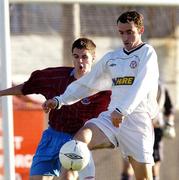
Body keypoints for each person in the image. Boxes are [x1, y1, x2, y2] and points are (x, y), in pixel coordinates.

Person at [43, 10, 159, 180]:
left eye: (130, 32)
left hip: (137, 121)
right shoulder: (113, 58)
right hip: (112, 117)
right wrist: (60, 99)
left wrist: (123, 110)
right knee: (77, 144)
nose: (125, 38)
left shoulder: (147, 53)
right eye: (121, 33)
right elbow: (88, 83)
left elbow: (141, 85)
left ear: (140, 30)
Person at [0, 38, 111, 180]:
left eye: (84, 57)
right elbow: (28, 87)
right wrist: (1, 93)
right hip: (53, 135)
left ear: (93, 58)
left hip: (76, 141)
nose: (80, 62)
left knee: (68, 176)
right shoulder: (57, 76)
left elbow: (116, 111)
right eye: (76, 57)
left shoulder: (103, 88)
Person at [120, 82, 176, 180]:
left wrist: (169, 124)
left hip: (155, 130)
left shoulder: (161, 88)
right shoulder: (134, 86)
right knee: (128, 165)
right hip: (134, 130)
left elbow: (169, 109)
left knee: (153, 167)